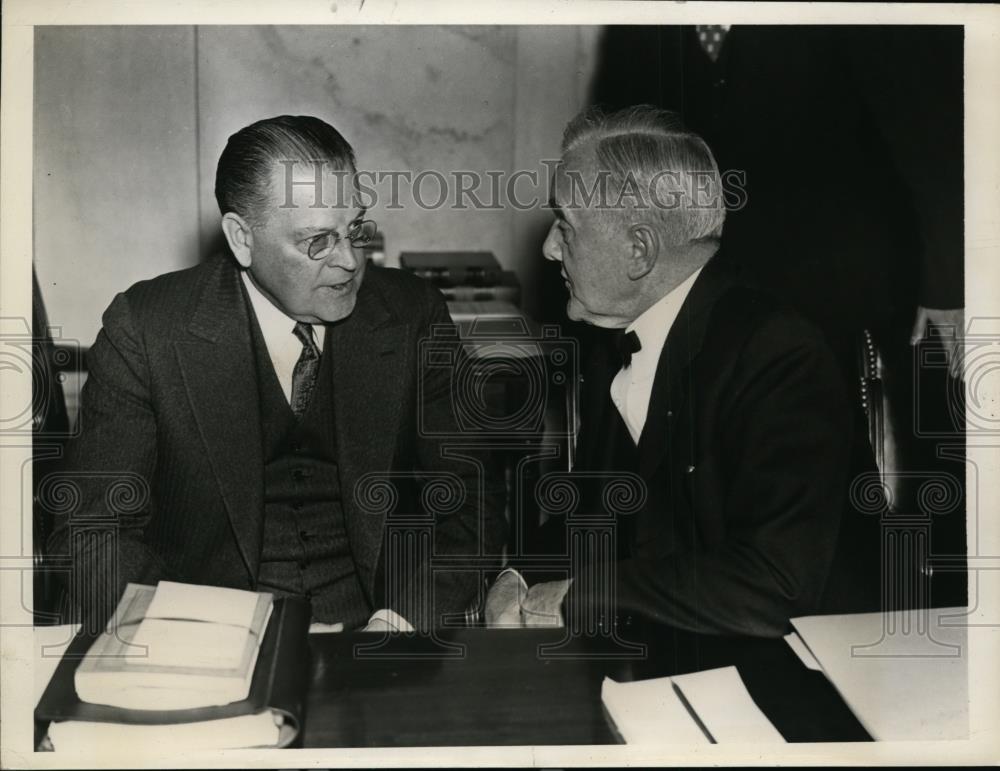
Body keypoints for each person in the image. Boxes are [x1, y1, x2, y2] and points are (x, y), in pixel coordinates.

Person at [46, 115, 506, 632]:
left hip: (380, 634)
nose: (350, 261)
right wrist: (216, 633)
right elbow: (89, 533)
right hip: (210, 641)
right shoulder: (148, 329)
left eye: (354, 229)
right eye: (317, 241)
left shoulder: (412, 314)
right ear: (242, 239)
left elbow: (474, 505)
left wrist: (400, 622)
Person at [488, 106, 880, 637]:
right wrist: (519, 575)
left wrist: (580, 598)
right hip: (669, 655)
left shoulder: (780, 356)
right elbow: (589, 514)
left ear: (639, 250)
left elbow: (775, 584)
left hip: (798, 675)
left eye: (566, 227)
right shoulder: (618, 337)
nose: (549, 248)